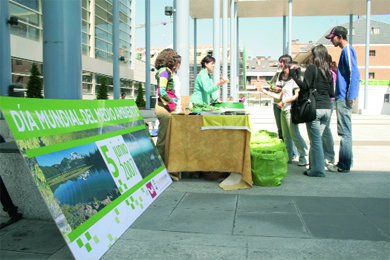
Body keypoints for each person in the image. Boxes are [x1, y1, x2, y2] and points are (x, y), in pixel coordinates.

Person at [291, 45, 335, 177]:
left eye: (312, 55)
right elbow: (332, 92)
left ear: (315, 56)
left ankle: (317, 170)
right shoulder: (329, 72)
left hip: (315, 109)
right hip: (327, 108)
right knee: (318, 140)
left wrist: (294, 76)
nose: (310, 57)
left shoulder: (312, 69)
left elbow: (305, 87)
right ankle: (315, 167)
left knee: (315, 141)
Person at [259, 61, 308, 166]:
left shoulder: (295, 81)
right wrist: (265, 92)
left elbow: (296, 96)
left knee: (294, 134)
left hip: (290, 110)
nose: (284, 68)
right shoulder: (288, 82)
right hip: (283, 110)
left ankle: (303, 155)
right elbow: (279, 97)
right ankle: (288, 157)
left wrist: (284, 102)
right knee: (286, 136)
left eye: (287, 67)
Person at [325, 26, 360, 173]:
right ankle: (344, 163)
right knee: (344, 131)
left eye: (332, 37)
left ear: (339, 36)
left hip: (344, 97)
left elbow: (354, 74)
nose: (331, 40)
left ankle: (344, 165)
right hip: (342, 95)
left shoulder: (347, 50)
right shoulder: (345, 51)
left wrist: (350, 96)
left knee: (345, 132)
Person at [267, 55, 299, 158]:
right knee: (281, 130)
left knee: (290, 131)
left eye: (282, 62)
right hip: (277, 103)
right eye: (279, 62)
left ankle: (293, 153)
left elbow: (293, 93)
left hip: (287, 105)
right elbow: (278, 88)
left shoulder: (293, 77)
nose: (280, 64)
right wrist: (273, 89)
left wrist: (280, 91)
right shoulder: (279, 74)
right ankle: (285, 152)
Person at [154, 48, 181, 162]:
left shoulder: (166, 71)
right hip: (164, 108)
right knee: (163, 139)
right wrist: (172, 105)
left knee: (166, 137)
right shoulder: (164, 72)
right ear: (172, 60)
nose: (179, 65)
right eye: (178, 62)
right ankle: (159, 165)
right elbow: (162, 92)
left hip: (166, 107)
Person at [322, 55, 337, 167]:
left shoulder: (331, 74)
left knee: (325, 129)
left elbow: (332, 91)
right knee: (321, 130)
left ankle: (329, 155)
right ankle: (323, 155)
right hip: (324, 102)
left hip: (328, 102)